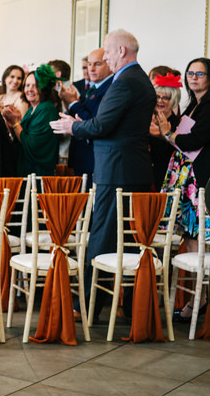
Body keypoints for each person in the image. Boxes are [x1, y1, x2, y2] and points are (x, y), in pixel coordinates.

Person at [50, 29, 156, 321]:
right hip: (132, 168)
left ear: (121, 51)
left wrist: (72, 126)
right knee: (130, 241)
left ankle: (86, 305)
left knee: (102, 237)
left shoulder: (125, 82)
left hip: (115, 170)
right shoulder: (139, 79)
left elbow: (100, 126)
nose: (105, 58)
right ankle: (131, 307)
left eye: (107, 52)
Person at [155, 57, 210, 320]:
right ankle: (195, 300)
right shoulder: (194, 104)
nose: (193, 78)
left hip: (201, 180)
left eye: (199, 74)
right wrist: (172, 134)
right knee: (190, 238)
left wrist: (169, 134)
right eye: (190, 73)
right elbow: (183, 139)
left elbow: (195, 139)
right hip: (186, 177)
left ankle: (204, 300)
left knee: (202, 240)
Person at [59, 48, 113, 179]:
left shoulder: (110, 88)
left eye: (97, 64)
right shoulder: (93, 87)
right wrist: (70, 102)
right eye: (89, 64)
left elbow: (92, 122)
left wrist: (73, 102)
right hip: (83, 157)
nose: (91, 69)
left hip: (93, 159)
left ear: (110, 65)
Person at [1, 67, 59, 176]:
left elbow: (32, 145)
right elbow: (21, 137)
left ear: (45, 88)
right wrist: (11, 124)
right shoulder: (32, 109)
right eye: (27, 85)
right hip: (25, 169)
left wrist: (15, 123)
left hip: (38, 172)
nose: (30, 90)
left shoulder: (46, 109)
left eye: (36, 86)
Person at [148, 70, 181, 189]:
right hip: (145, 177)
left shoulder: (177, 124)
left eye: (165, 98)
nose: (160, 100)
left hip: (166, 178)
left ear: (173, 101)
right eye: (157, 96)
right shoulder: (145, 119)